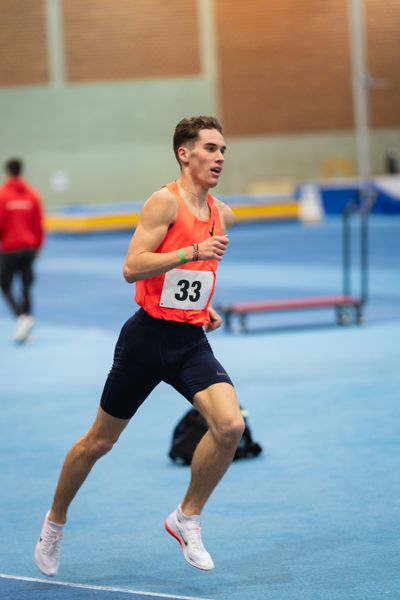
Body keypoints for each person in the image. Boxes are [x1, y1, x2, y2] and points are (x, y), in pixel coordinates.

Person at [34, 115, 245, 576]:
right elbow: (133, 267)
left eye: (223, 150)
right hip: (146, 340)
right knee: (98, 443)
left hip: (189, 341)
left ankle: (186, 517)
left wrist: (204, 307)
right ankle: (54, 522)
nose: (220, 158)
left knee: (230, 427)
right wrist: (192, 252)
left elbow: (195, 279)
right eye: (210, 149)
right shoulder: (162, 204)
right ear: (184, 154)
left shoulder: (222, 213)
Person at [0, 158, 45, 342]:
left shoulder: (2, 195)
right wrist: (38, 246)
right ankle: (25, 325)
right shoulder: (32, 194)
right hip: (28, 249)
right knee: (26, 287)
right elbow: (38, 224)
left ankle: (22, 317)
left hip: (9, 249)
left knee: (5, 285)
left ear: (8, 172)